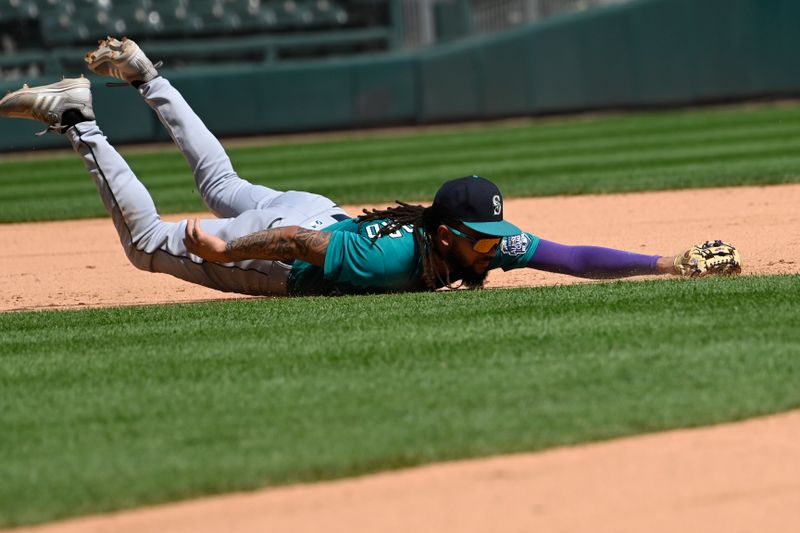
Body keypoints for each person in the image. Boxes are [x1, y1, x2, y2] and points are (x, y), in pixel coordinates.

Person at [0, 37, 741, 297]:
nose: (491, 240)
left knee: (222, 185)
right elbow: (300, 246)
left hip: (318, 209)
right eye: (479, 231)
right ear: (446, 230)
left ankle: (145, 76)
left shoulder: (476, 239)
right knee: (148, 245)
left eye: (491, 229)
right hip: (300, 239)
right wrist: (231, 249)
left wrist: (666, 262)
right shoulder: (389, 259)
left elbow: (569, 255)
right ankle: (79, 117)